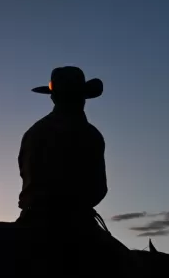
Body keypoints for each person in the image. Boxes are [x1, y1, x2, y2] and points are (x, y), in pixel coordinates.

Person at [17, 66, 111, 239]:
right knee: (123, 264)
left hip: (30, 216)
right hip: (75, 222)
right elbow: (98, 189)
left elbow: (25, 172)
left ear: (53, 97)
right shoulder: (90, 135)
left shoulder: (33, 132)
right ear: (83, 98)